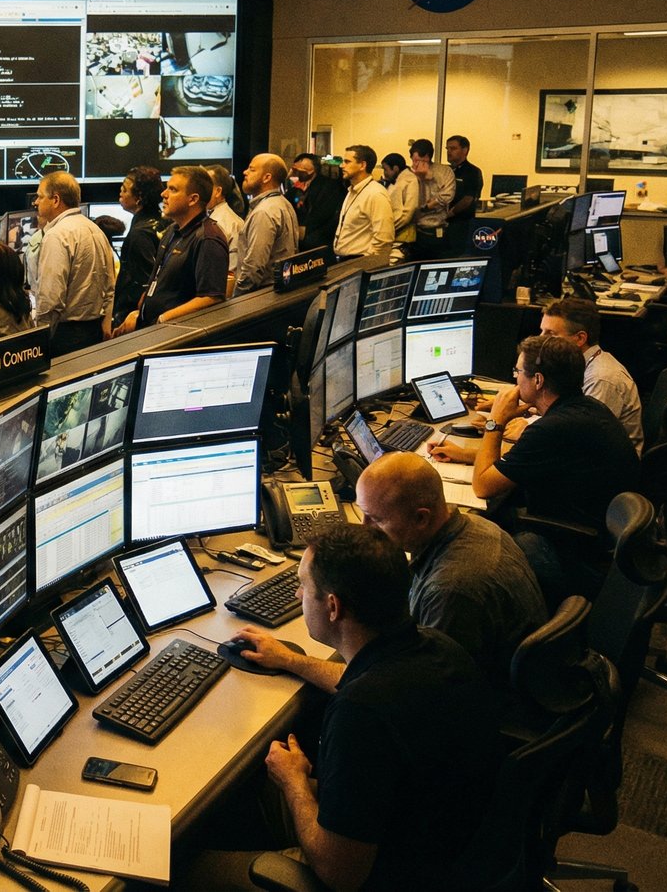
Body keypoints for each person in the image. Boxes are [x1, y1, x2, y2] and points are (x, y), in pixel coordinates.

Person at [201, 525, 498, 892]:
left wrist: (294, 781)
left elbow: (341, 874)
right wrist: (291, 661)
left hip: (385, 874)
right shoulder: (435, 647)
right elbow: (364, 679)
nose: (297, 593)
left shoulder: (362, 715)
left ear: (332, 606)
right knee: (246, 793)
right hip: (448, 838)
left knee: (188, 868)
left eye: (303, 586)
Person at [245, 453, 545, 694]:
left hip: (489, 713)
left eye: (375, 519)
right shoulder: (476, 526)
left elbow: (400, 688)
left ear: (421, 518)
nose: (364, 529)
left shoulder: (451, 590)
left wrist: (289, 659)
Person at [429, 333, 638, 604]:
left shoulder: (552, 429)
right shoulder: (585, 408)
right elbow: (525, 460)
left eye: (517, 372)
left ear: (538, 380)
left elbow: (483, 485)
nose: (515, 379)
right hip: (600, 545)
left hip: (572, 554)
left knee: (471, 528)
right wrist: (467, 454)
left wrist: (496, 421)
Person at [116, 164, 228, 332]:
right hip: (151, 328)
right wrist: (142, 310)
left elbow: (211, 298)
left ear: (193, 199)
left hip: (174, 334)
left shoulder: (207, 239)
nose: (163, 194)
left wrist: (162, 319)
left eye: (173, 190)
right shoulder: (172, 231)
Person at [539, 296, 643, 452]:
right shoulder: (575, 365)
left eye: (550, 334)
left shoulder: (601, 378)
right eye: (542, 331)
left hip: (607, 468)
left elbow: (584, 436)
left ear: (580, 338)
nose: (541, 339)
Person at [30, 170, 116, 356]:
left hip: (65, 336)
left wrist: (40, 340)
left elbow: (51, 297)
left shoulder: (57, 235)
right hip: (94, 330)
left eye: (39, 196)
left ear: (55, 200)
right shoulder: (94, 229)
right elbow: (110, 284)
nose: (36, 202)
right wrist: (105, 321)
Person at [235, 152, 299, 295]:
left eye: (252, 169)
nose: (245, 172)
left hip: (259, 296)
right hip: (278, 291)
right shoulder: (284, 203)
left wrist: (236, 300)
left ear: (267, 177)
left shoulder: (263, 212)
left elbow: (254, 267)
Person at [111, 165, 166, 326]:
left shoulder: (140, 234)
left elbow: (146, 282)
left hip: (134, 316)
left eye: (125, 189)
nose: (120, 192)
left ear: (139, 198)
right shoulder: (165, 223)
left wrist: (135, 314)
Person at [331, 143, 394, 260]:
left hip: (360, 262)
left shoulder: (376, 194)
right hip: (345, 260)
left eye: (347, 162)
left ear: (362, 165)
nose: (342, 166)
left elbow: (384, 238)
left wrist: (367, 264)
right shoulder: (351, 190)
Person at [409, 139, 456, 259]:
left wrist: (425, 207)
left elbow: (446, 197)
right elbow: (409, 201)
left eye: (422, 160)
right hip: (414, 232)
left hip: (438, 231)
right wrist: (419, 179)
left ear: (429, 158)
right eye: (415, 161)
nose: (417, 165)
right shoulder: (408, 174)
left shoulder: (444, 171)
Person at [289, 152, 343, 251]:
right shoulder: (295, 186)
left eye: (300, 170)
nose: (296, 173)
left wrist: (306, 229)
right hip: (298, 239)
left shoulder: (329, 186)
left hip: (318, 240)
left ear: (311, 171)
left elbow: (325, 213)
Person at [205, 163, 245, 287]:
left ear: (217, 191)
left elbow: (231, 272)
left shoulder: (228, 223)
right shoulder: (210, 217)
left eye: (204, 186)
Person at [444, 134, 483, 254]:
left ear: (465, 150)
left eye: (453, 148)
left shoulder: (472, 172)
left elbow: (467, 199)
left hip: (461, 225)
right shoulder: (446, 170)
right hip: (443, 225)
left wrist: (447, 214)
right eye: (447, 149)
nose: (449, 152)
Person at [380, 151, 417, 260]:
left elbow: (408, 212)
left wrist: (389, 229)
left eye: (386, 169)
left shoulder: (410, 180)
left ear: (395, 168)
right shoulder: (395, 181)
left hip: (402, 236)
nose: (384, 173)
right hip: (393, 233)